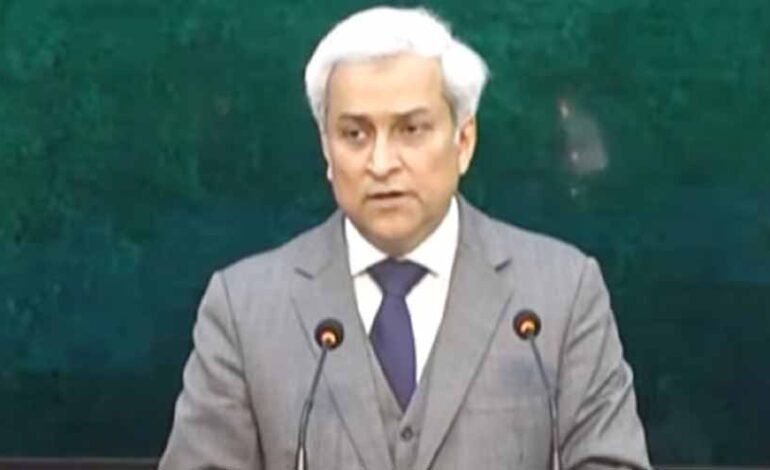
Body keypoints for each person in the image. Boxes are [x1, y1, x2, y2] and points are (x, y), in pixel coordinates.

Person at [160, 6, 650, 469]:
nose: (381, 164)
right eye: (355, 135)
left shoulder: (560, 295)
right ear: (326, 150)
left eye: (411, 129)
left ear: (463, 141)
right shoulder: (244, 308)